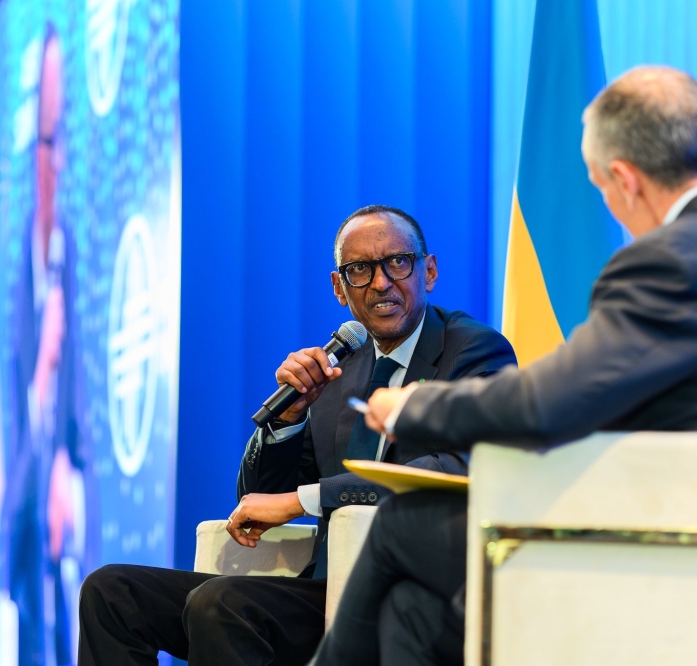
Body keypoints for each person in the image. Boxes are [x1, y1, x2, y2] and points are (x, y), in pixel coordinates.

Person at [310, 66, 697, 666]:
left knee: (402, 522)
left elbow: (546, 405)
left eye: (602, 188)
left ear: (625, 179)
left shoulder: (669, 261)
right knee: (412, 612)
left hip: (679, 550)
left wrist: (414, 406)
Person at [78, 205, 517, 665]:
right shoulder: (339, 364)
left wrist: (306, 499)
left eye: (398, 262)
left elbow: (454, 466)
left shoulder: (472, 351)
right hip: (323, 589)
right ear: (339, 289)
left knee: (221, 604)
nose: (382, 282)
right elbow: (257, 500)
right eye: (360, 270)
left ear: (429, 271)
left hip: (407, 601)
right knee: (112, 592)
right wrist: (288, 421)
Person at [1, 24, 93, 665]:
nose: (55, 162)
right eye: (47, 141)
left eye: (63, 144)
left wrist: (68, 466)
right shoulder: (17, 281)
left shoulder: (72, 259)